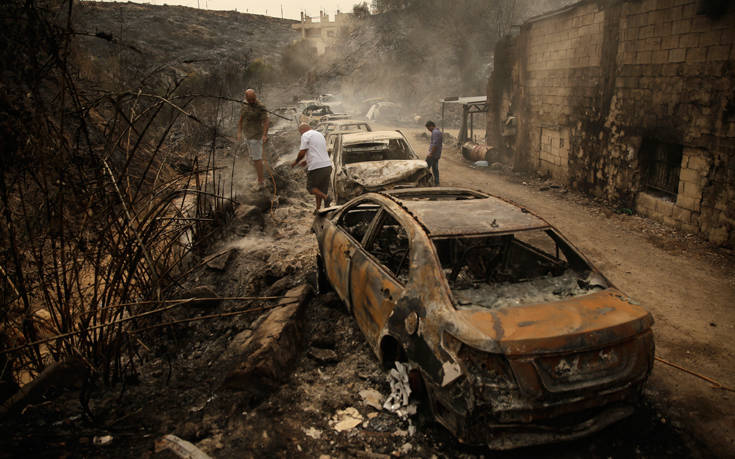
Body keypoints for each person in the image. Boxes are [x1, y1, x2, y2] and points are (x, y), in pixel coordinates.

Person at [292, 123, 333, 213]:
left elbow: (302, 152)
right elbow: (317, 151)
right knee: (320, 189)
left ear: (302, 130)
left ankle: (327, 198)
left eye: (300, 132)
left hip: (316, 167)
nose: (300, 135)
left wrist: (296, 162)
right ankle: (319, 209)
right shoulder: (320, 135)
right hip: (327, 165)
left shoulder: (306, 135)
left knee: (311, 187)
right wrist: (306, 161)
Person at [237, 88, 270, 189]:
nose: (251, 101)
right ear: (246, 98)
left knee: (257, 159)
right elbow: (241, 119)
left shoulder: (260, 107)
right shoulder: (244, 104)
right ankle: (258, 178)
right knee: (253, 158)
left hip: (256, 136)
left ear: (255, 97)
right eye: (249, 99)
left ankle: (261, 181)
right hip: (247, 135)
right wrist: (239, 132)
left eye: (253, 99)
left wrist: (264, 135)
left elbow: (266, 121)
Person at [425, 120, 442, 186]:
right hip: (436, 154)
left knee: (425, 168)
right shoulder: (438, 132)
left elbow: (435, 144)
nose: (428, 130)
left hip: (433, 154)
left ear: (431, 126)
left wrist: (431, 153)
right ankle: (437, 182)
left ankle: (426, 182)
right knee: (435, 168)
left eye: (428, 128)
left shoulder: (435, 132)